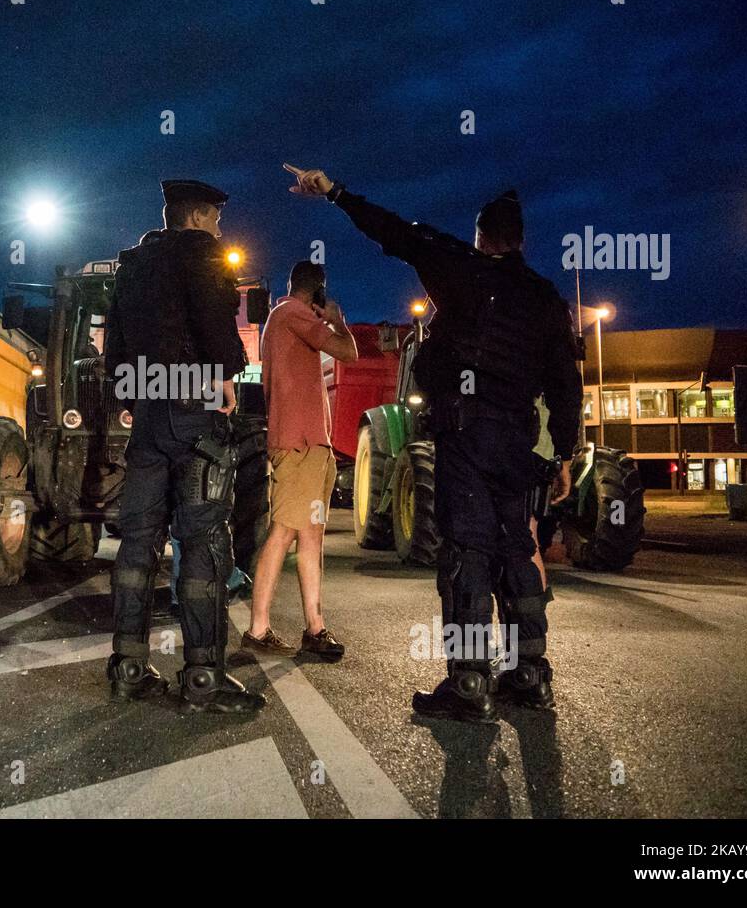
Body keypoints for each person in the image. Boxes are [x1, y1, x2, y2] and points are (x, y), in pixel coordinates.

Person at [285, 163, 582, 722]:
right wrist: (564, 454)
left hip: (466, 434)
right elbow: (568, 385)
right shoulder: (545, 298)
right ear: (520, 240)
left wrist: (336, 193)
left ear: (480, 236)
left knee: (468, 549)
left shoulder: (457, 268)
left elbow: (394, 232)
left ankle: (470, 682)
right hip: (519, 442)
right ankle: (531, 676)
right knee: (517, 548)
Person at [104, 179, 265, 714]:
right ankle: (202, 676)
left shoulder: (133, 264)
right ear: (197, 218)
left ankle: (127, 667)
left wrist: (129, 393)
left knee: (138, 542)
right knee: (202, 541)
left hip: (147, 408)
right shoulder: (204, 254)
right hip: (193, 404)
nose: (218, 228)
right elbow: (216, 324)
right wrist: (223, 377)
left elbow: (118, 338)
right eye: (215, 219)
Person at [244, 261, 357, 661]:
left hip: (309, 446)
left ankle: (315, 626)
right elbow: (349, 352)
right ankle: (258, 629)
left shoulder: (283, 317)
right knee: (284, 532)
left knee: (308, 536)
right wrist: (338, 321)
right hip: (301, 445)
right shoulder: (291, 312)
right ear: (317, 291)